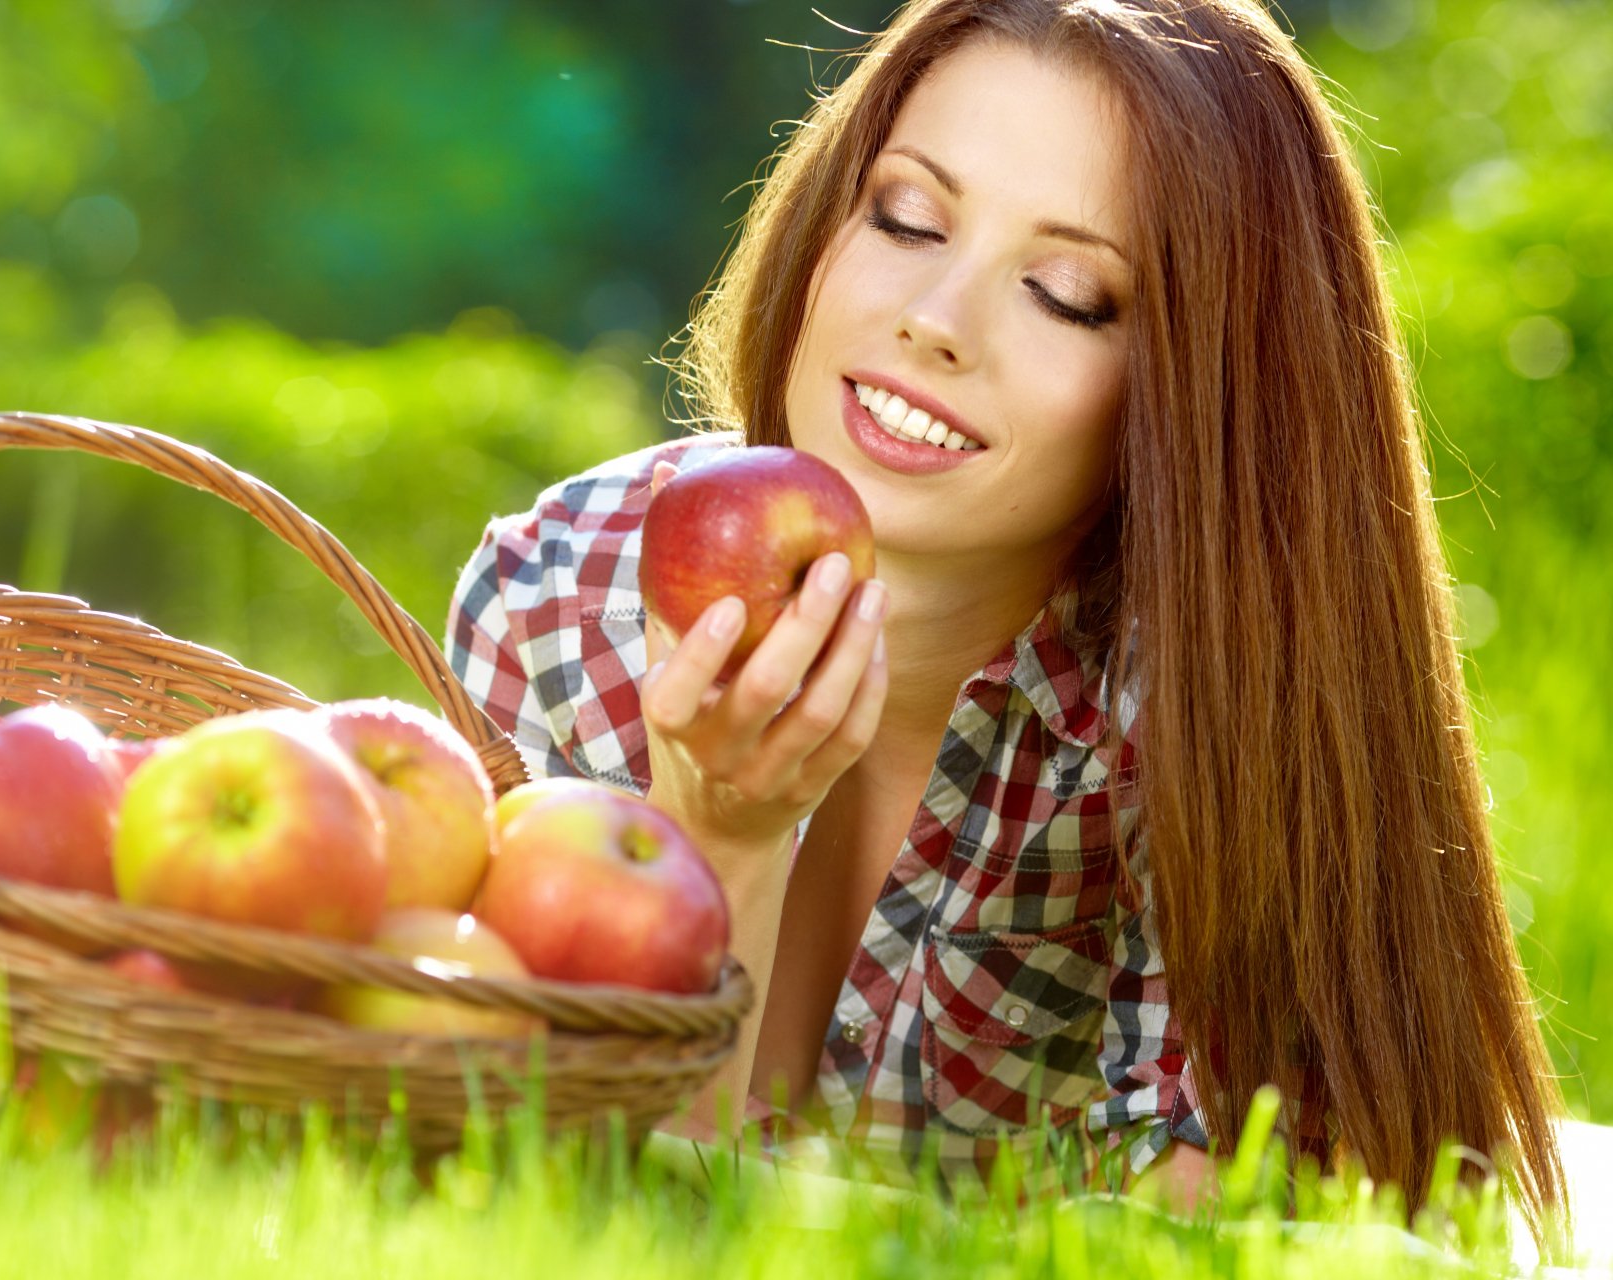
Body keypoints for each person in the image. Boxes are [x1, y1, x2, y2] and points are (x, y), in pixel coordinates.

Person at [444, 0, 1569, 1247]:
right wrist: (719, 841)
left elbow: (1228, 1242)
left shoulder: (1209, 728)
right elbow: (517, 1197)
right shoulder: (561, 592)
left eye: (1067, 293)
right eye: (907, 217)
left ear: (1198, 396)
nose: (937, 317)